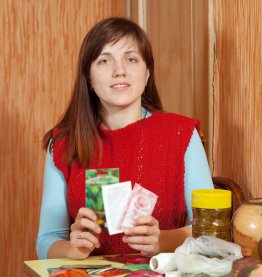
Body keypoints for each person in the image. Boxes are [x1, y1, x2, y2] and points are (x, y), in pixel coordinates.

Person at [36, 17, 213, 260]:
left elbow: (211, 231)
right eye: (105, 60)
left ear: (147, 72)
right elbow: (46, 240)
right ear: (88, 77)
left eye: (131, 59)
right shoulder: (63, 144)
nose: (119, 71)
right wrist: (70, 248)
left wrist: (163, 240)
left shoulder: (181, 133)